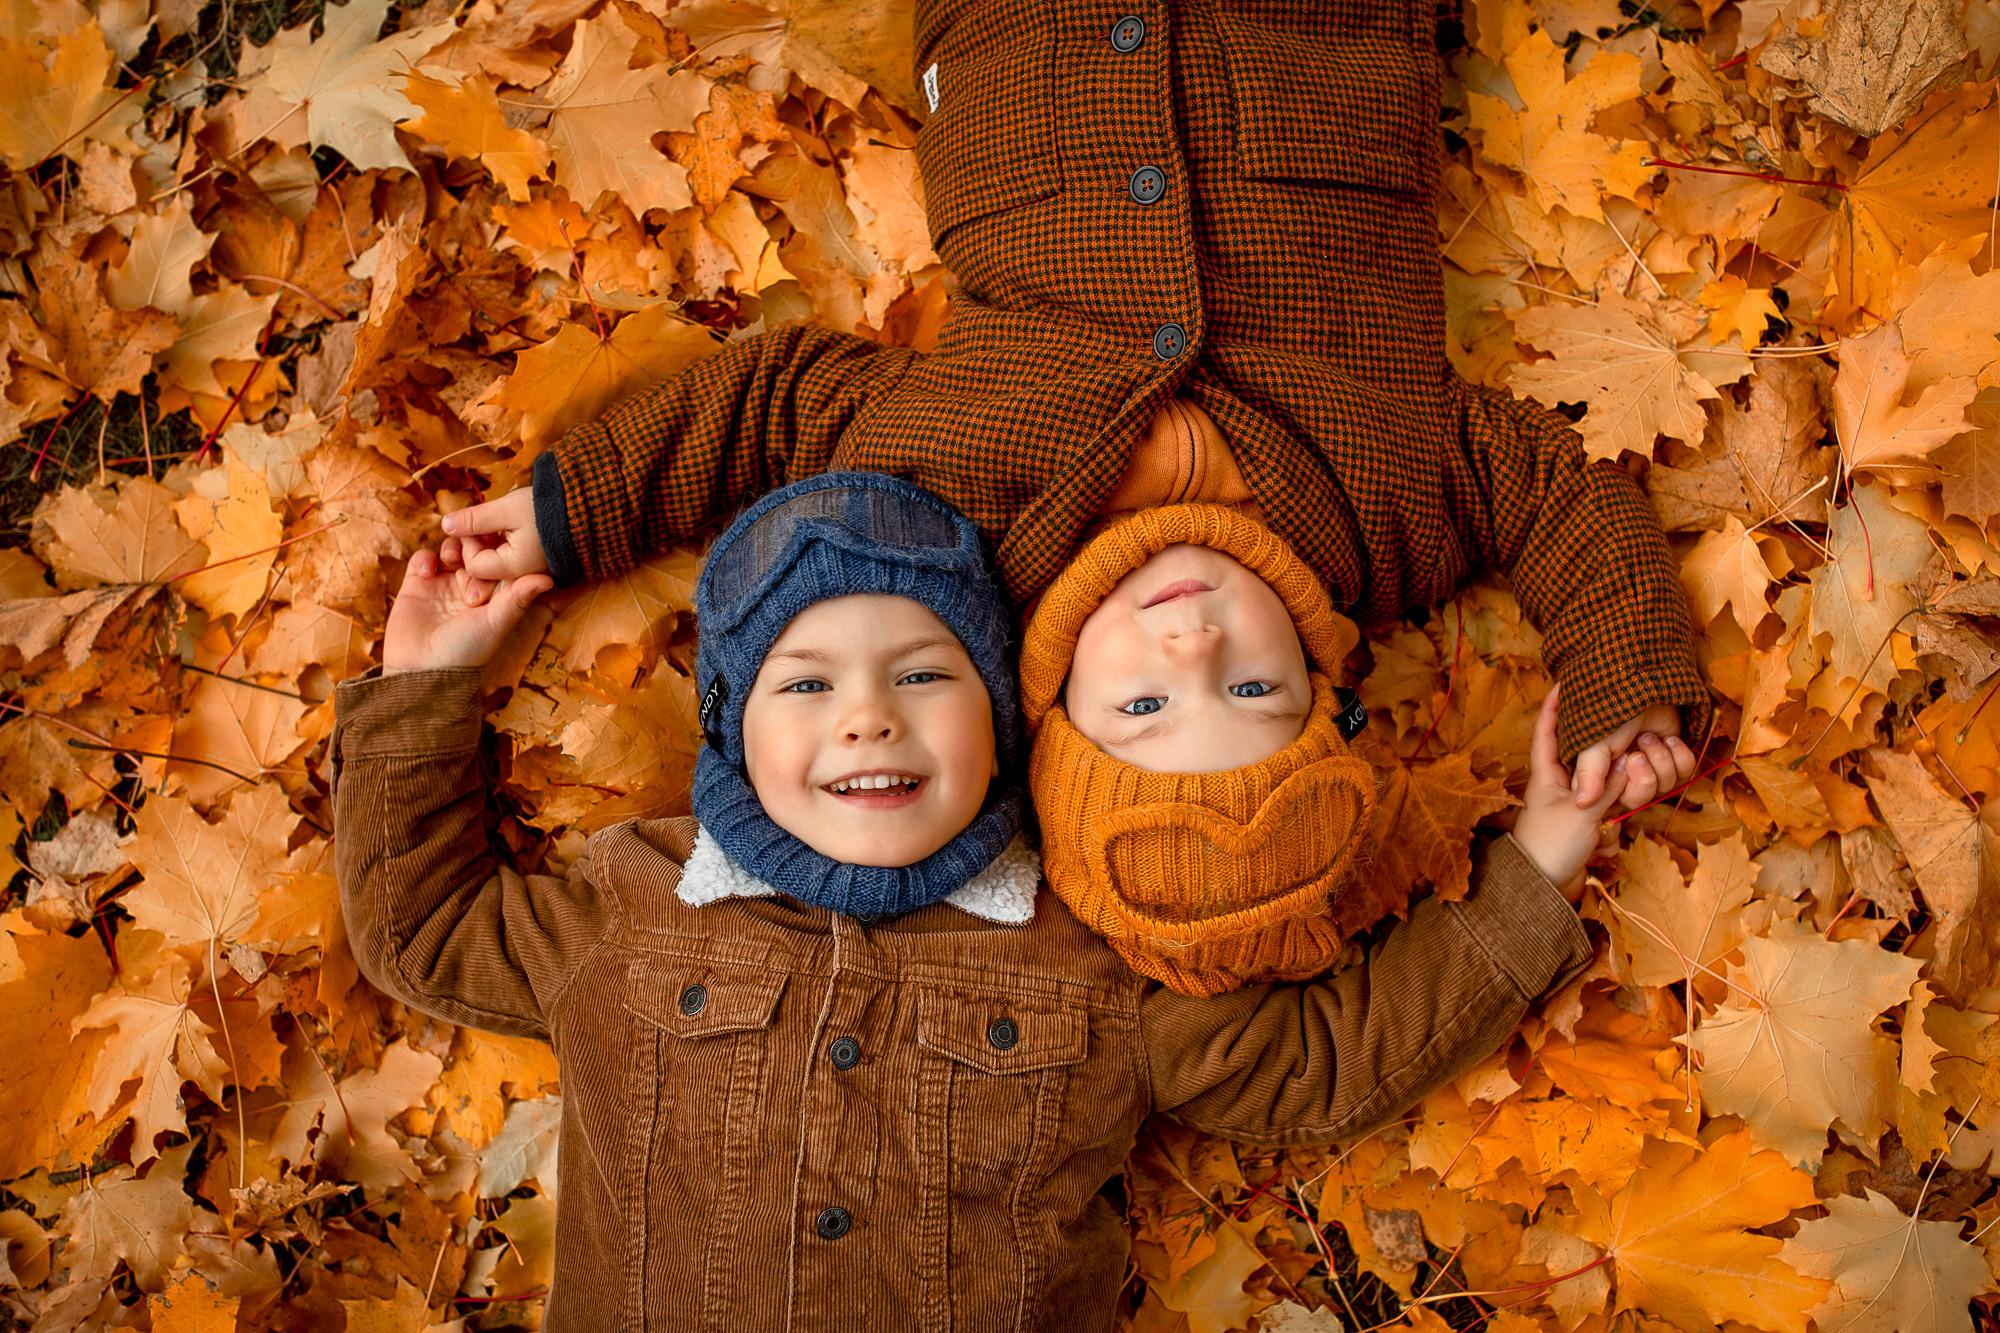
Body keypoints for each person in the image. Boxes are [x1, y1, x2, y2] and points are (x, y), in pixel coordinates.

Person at [441, 0, 1705, 988]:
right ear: (1326, 683)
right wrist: (1619, 678)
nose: (1194, 639)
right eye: (1253, 689)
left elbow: (769, 408)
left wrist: (573, 508)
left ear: (1046, 706)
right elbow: (1560, 493)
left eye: (1144, 701)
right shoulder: (1392, 511)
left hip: (1024, 60)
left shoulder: (951, 512)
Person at [337, 472, 1620, 1330]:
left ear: (1004, 721)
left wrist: (1539, 864)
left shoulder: (1092, 959)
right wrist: (423, 687)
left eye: (921, 672)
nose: (867, 716)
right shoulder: (632, 907)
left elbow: (1316, 1063)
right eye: (802, 685)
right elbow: (422, 928)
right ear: (729, 732)